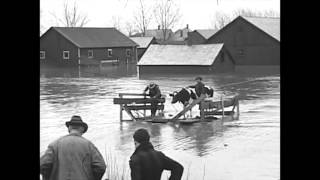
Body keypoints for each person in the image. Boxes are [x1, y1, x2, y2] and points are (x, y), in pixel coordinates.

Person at [40, 115, 106, 180]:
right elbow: (101, 167)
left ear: (69, 128)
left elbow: (43, 165)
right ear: (82, 129)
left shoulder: (54, 145)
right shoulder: (89, 145)